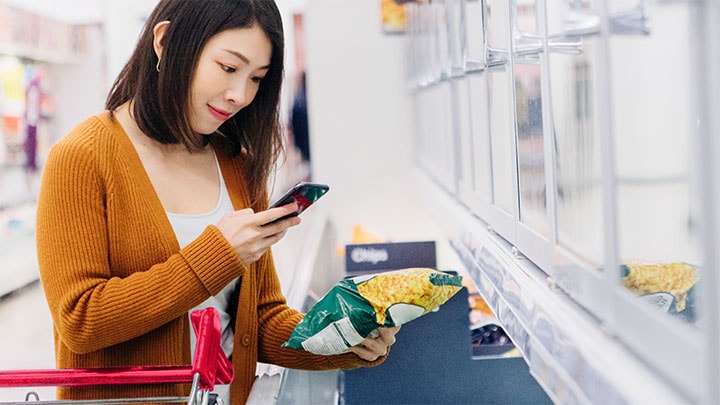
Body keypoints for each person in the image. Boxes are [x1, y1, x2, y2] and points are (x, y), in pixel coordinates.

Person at [34, 0, 400, 403]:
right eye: (228, 68)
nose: (239, 95)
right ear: (166, 40)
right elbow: (81, 321)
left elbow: (258, 322)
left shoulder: (236, 165)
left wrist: (342, 339)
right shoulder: (81, 158)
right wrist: (219, 253)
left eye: (256, 78)